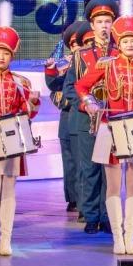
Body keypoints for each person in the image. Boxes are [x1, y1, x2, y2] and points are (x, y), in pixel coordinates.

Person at [76, 0, 133, 255]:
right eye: (125, 41)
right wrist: (89, 102)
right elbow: (82, 86)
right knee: (113, 186)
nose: (129, 45)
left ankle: (130, 235)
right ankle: (117, 236)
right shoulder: (106, 65)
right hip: (110, 127)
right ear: (118, 43)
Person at [0, 5, 40, 255]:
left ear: (12, 55)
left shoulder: (21, 82)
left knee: (10, 189)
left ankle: (6, 239)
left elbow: (28, 112)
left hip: (13, 139)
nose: (1, 57)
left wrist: (32, 104)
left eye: (5, 53)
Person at [64, 0, 118, 234]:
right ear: (92, 26)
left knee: (109, 169)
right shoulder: (80, 55)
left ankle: (107, 215)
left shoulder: (119, 53)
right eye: (100, 22)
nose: (104, 26)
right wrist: (86, 104)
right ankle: (90, 215)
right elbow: (69, 88)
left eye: (108, 21)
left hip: (111, 117)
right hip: (87, 118)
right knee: (89, 169)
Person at [44, 22, 83, 217]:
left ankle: (86, 201)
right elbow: (54, 85)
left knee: (84, 162)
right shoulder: (67, 66)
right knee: (70, 162)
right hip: (68, 118)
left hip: (85, 116)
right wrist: (51, 69)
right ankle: (73, 199)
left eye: (80, 44)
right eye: (73, 45)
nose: (77, 48)